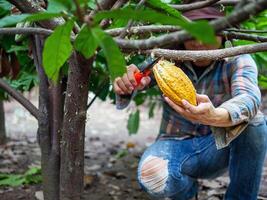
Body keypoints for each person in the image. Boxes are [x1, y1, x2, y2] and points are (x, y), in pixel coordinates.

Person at [113, 6, 267, 200]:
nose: (200, 42)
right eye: (192, 34)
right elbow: (136, 80)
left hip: (219, 147)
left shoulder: (237, 59)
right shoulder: (167, 59)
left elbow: (250, 98)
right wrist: (126, 84)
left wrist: (215, 116)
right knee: (153, 177)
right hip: (175, 144)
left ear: (221, 34)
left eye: (208, 33)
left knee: (255, 123)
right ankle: (187, 192)